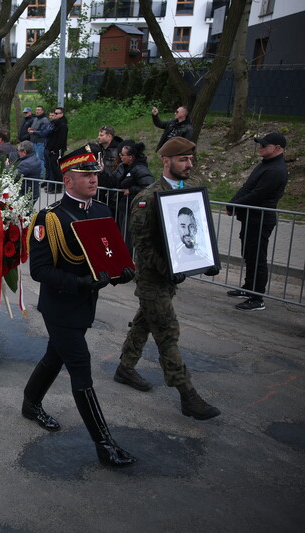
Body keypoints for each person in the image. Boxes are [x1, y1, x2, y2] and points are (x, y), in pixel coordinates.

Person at [22, 144, 136, 467]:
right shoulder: (49, 219)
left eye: (94, 174)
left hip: (86, 304)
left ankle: (30, 403)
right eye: (85, 175)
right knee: (80, 366)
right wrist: (79, 283)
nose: (93, 179)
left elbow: (108, 257)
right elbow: (39, 270)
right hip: (59, 306)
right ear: (68, 181)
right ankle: (104, 444)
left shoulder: (101, 211)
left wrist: (122, 274)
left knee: (54, 356)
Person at [115, 137, 221, 420]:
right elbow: (142, 245)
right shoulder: (148, 198)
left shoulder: (186, 194)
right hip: (153, 280)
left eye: (190, 159)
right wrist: (169, 269)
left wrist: (205, 261)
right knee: (167, 331)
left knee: (144, 323)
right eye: (183, 159)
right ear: (166, 161)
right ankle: (187, 394)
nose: (189, 164)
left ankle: (125, 368)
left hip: (169, 278)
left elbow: (194, 234)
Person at [226, 132, 289, 311]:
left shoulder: (276, 170)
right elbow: (247, 187)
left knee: (257, 257)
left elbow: (258, 195)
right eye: (260, 143)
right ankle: (248, 288)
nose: (260, 147)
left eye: (264, 145)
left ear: (277, 148)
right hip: (251, 218)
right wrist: (232, 203)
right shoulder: (265, 164)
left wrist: (235, 206)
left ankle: (257, 297)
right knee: (249, 254)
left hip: (261, 219)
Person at [45, 107, 67, 192]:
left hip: (57, 150)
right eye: (55, 113)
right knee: (53, 169)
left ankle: (58, 187)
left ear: (62, 114)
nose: (55, 115)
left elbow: (61, 139)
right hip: (53, 148)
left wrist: (55, 149)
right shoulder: (56, 124)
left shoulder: (62, 125)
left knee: (57, 169)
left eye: (57, 113)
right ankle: (53, 186)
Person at [28, 106, 50, 177]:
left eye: (39, 110)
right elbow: (34, 128)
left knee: (40, 159)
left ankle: (41, 175)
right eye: (36, 110)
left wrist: (34, 132)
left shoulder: (45, 120)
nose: (37, 111)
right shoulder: (35, 119)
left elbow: (44, 132)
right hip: (33, 141)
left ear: (42, 111)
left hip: (40, 142)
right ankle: (35, 174)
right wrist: (30, 129)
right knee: (34, 159)